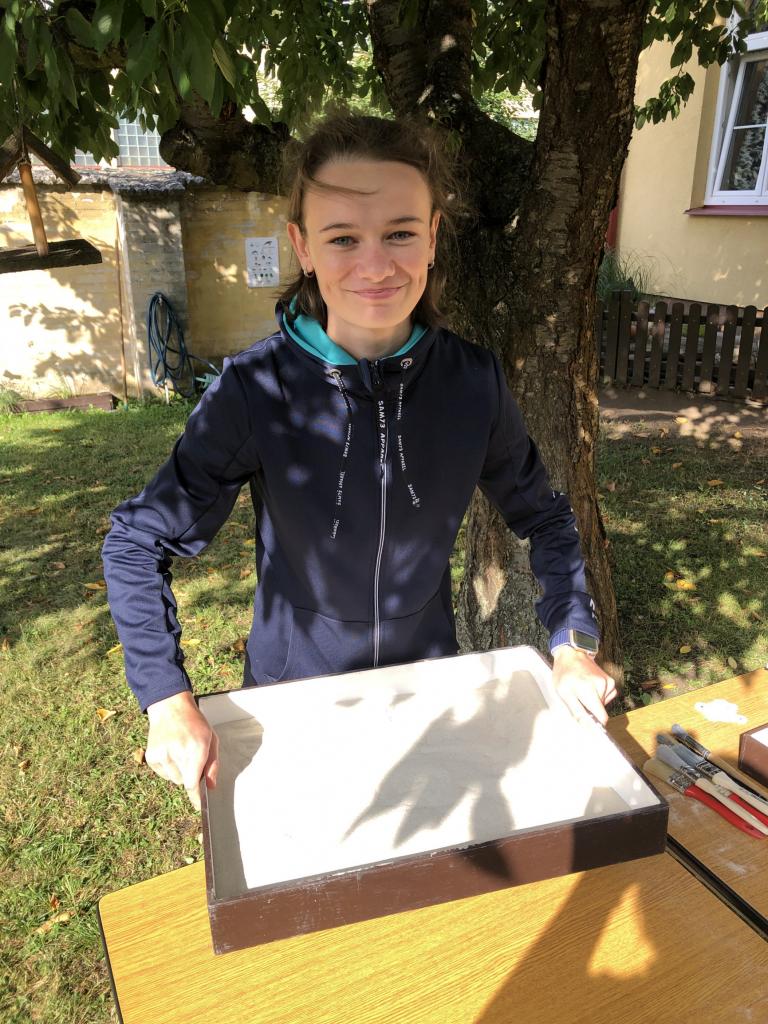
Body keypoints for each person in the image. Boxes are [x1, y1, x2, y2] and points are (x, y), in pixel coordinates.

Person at [102, 111, 616, 810]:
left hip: (428, 698)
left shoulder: (474, 383)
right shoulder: (256, 390)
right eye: (343, 238)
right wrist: (166, 700)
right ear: (302, 246)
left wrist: (572, 644)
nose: (375, 267)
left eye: (400, 233)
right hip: (292, 706)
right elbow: (137, 542)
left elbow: (547, 518)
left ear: (432, 235)